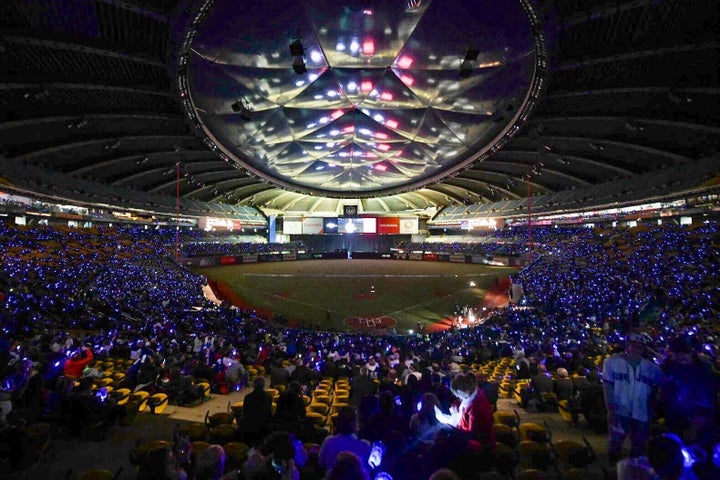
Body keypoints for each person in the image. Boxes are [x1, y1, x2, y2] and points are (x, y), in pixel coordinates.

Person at [603, 333, 662, 461]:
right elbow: (608, 387)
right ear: (627, 345)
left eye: (640, 346)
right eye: (633, 345)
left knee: (638, 447)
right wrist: (611, 410)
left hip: (642, 413)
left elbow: (658, 390)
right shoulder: (611, 362)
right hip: (619, 411)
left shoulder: (652, 368)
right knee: (615, 444)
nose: (636, 348)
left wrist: (653, 410)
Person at [657, 335, 717, 444]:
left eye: (685, 351)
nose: (681, 355)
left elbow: (707, 401)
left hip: (700, 424)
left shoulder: (703, 370)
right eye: (677, 352)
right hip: (674, 420)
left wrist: (695, 426)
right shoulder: (669, 368)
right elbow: (663, 391)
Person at [434, 372, 495, 450]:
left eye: (457, 395)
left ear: (461, 392)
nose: (458, 397)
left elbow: (473, 435)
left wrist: (452, 429)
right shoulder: (475, 392)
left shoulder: (476, 407)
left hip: (481, 446)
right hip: (472, 436)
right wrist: (456, 406)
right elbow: (462, 402)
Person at [318, 406, 372, 472]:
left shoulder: (328, 442)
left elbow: (321, 463)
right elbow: (369, 469)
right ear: (355, 424)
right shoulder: (365, 445)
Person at [241, 377, 273, 446]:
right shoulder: (268, 398)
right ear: (263, 386)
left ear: (254, 385)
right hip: (263, 428)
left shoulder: (248, 397)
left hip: (248, 428)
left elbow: (245, 412)